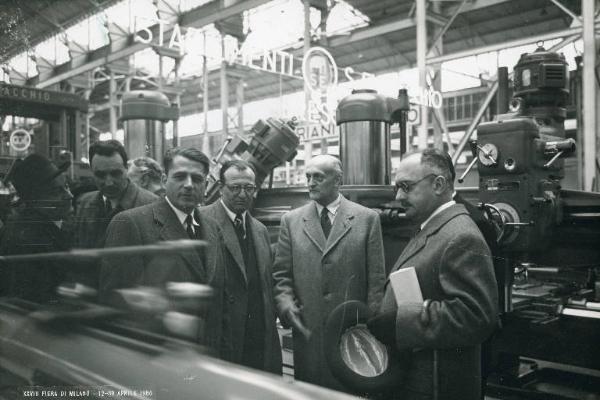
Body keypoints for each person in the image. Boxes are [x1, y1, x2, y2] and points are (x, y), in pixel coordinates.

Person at [367, 149, 499, 400]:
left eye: (406, 187)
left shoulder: (461, 235)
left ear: (438, 184)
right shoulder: (434, 227)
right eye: (398, 188)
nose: (398, 196)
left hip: (436, 385)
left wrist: (400, 322)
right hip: (418, 377)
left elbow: (477, 316)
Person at [272, 154, 386, 391]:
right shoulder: (291, 221)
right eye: (308, 176)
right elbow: (281, 276)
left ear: (338, 181)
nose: (311, 182)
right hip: (309, 334)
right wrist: (285, 304)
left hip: (352, 335)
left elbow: (376, 282)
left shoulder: (367, 219)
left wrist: (371, 328)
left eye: (318, 177)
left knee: (349, 391)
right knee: (310, 392)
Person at [98, 147, 227, 356]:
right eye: (180, 176)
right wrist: (165, 318)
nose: (188, 185)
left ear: (206, 184)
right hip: (155, 361)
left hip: (205, 361)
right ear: (166, 179)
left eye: (197, 178)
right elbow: (112, 305)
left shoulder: (213, 227)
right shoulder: (130, 223)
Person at [198, 160, 282, 374]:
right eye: (235, 188)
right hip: (222, 339)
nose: (243, 194)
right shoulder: (201, 221)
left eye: (249, 188)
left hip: (257, 338)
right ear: (220, 187)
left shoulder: (260, 230)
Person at [73, 141, 157, 287]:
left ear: (126, 169)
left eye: (115, 173)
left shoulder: (152, 206)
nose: (109, 182)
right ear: (91, 172)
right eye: (100, 175)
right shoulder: (84, 203)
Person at [0, 154, 74, 303]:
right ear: (34, 200)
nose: (69, 195)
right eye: (56, 192)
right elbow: (33, 299)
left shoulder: (48, 225)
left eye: (66, 186)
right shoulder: (29, 239)